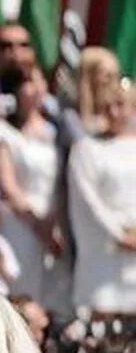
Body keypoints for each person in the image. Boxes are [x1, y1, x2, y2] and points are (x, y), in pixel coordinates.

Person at [0, 64, 70, 314]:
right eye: (28, 82)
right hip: (21, 226)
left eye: (39, 80)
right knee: (22, 298)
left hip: (56, 226)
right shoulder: (2, 132)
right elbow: (8, 186)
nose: (37, 88)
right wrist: (39, 226)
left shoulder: (57, 131)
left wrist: (55, 226)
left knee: (54, 301)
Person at [69, 83, 136, 315]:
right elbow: (88, 201)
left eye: (120, 105)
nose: (114, 112)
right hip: (104, 254)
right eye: (107, 106)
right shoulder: (87, 149)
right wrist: (119, 234)